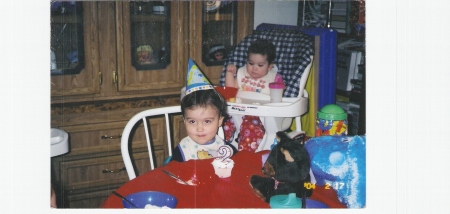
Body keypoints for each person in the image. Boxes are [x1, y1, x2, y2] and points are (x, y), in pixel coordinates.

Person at [223, 39, 284, 152]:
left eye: (260, 65)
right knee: (223, 122)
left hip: (260, 118)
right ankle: (221, 147)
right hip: (238, 112)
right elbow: (230, 91)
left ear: (270, 66)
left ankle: (245, 154)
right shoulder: (242, 73)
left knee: (249, 128)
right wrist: (230, 73)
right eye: (251, 63)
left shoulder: (274, 78)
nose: (254, 68)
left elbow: (277, 98)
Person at [171, 59, 237, 162]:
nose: (199, 128)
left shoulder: (227, 149)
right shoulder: (182, 151)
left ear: (220, 121)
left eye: (207, 121)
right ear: (184, 121)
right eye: (192, 121)